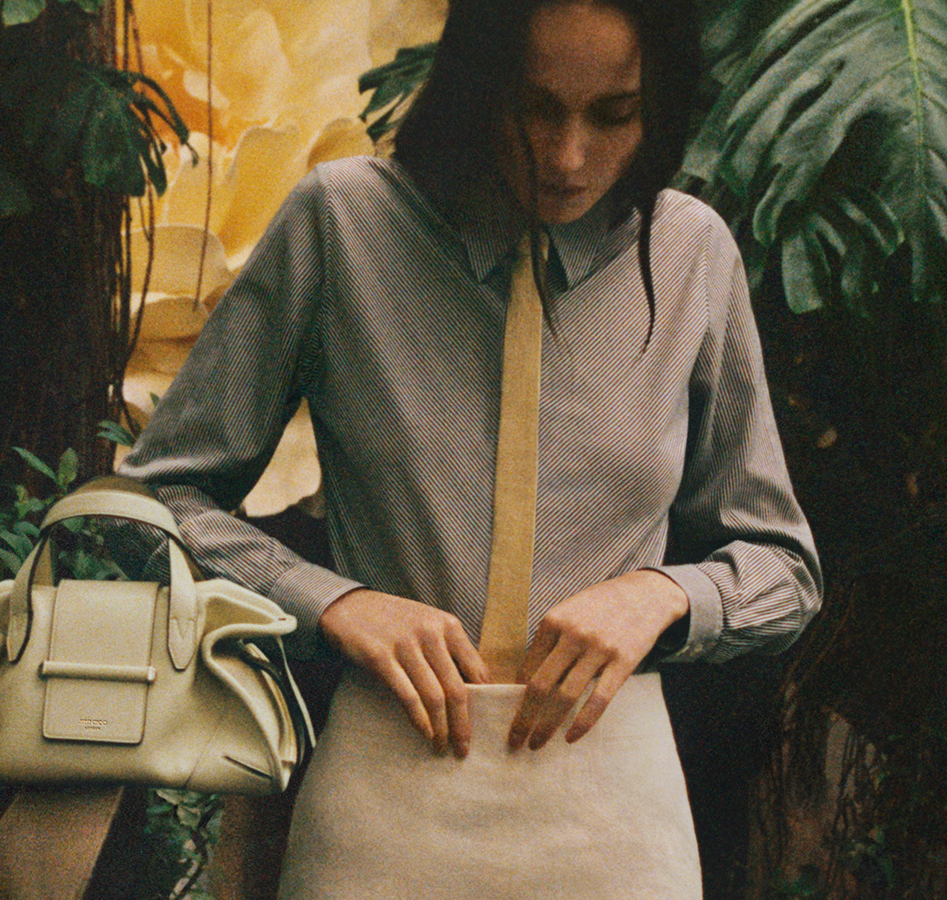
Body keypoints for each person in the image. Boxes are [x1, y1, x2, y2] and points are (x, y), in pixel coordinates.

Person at [119, 0, 820, 895]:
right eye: (536, 108)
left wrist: (661, 595)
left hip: (614, 821)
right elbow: (154, 505)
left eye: (614, 114)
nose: (569, 158)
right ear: (478, 86)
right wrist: (334, 603)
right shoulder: (344, 224)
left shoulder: (691, 253)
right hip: (382, 805)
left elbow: (784, 568)